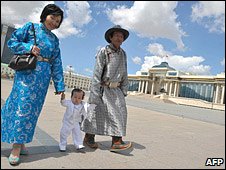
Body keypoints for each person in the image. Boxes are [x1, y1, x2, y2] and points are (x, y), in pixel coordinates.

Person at [1, 4, 65, 165]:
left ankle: (20, 142)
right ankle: (15, 147)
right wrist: (29, 47)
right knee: (22, 107)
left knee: (32, 112)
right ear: (45, 15)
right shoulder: (31, 28)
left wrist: (60, 85)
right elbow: (12, 42)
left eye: (58, 21)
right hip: (26, 73)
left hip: (43, 79)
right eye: (53, 18)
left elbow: (57, 62)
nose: (54, 23)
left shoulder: (55, 40)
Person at [81, 25, 132, 152]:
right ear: (111, 37)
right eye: (117, 35)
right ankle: (89, 137)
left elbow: (125, 71)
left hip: (117, 90)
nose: (119, 38)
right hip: (103, 88)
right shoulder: (104, 51)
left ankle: (116, 141)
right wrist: (95, 93)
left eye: (121, 36)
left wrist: (124, 88)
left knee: (120, 113)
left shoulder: (123, 54)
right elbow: (97, 73)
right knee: (96, 114)